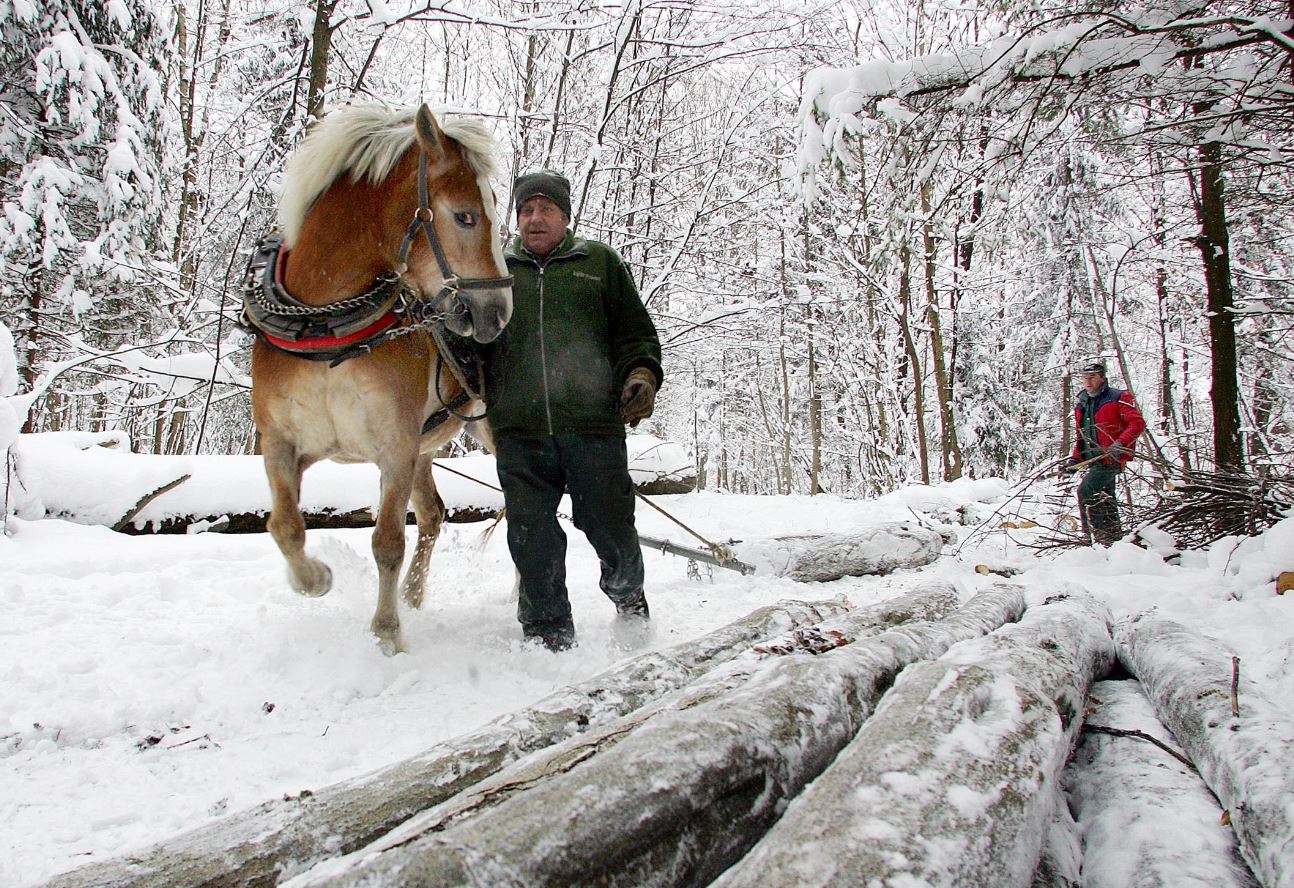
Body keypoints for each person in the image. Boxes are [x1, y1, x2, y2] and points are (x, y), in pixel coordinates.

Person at [483, 170, 663, 652]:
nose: (534, 218)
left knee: (609, 524)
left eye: (545, 209)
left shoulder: (598, 262)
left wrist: (641, 375)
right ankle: (546, 632)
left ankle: (629, 599)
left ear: (566, 217)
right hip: (520, 430)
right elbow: (471, 342)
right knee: (531, 535)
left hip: (592, 428)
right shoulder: (497, 269)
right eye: (525, 210)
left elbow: (635, 335)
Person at [1062, 361, 1146, 545]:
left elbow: (1137, 424)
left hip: (1111, 459)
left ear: (1102, 378)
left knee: (1086, 491)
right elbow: (1082, 436)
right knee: (1105, 499)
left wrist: (1120, 444)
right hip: (1094, 460)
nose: (1088, 382)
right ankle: (1113, 540)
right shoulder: (1083, 403)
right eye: (1085, 378)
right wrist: (1075, 461)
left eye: (1092, 377)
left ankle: (1090, 538)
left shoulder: (1119, 397)